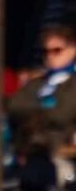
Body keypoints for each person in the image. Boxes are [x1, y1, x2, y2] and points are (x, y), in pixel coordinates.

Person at [9, 24, 76, 159]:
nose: (50, 56)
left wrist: (33, 108)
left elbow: (62, 115)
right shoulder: (38, 82)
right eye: (45, 51)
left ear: (73, 49)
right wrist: (46, 108)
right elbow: (14, 106)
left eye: (57, 50)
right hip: (27, 152)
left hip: (61, 153)